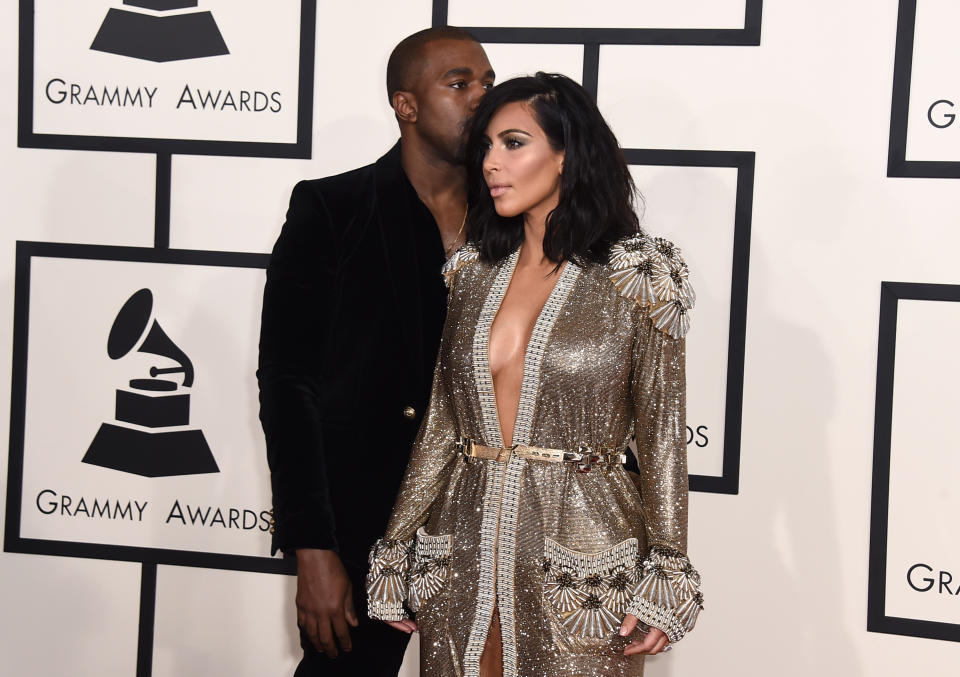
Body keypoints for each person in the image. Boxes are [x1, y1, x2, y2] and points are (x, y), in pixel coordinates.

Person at [366, 73, 703, 677]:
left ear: (568, 154)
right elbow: (444, 420)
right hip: (463, 548)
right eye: (486, 147)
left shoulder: (637, 277)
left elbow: (662, 434)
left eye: (513, 143)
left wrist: (669, 567)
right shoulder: (470, 274)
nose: (492, 163)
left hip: (583, 562)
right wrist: (396, 545)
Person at [257, 27, 494, 677]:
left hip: (489, 521)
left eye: (488, 84)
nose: (481, 97)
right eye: (459, 82)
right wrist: (313, 545)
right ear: (406, 104)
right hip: (364, 523)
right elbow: (288, 382)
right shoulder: (332, 209)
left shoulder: (519, 225)